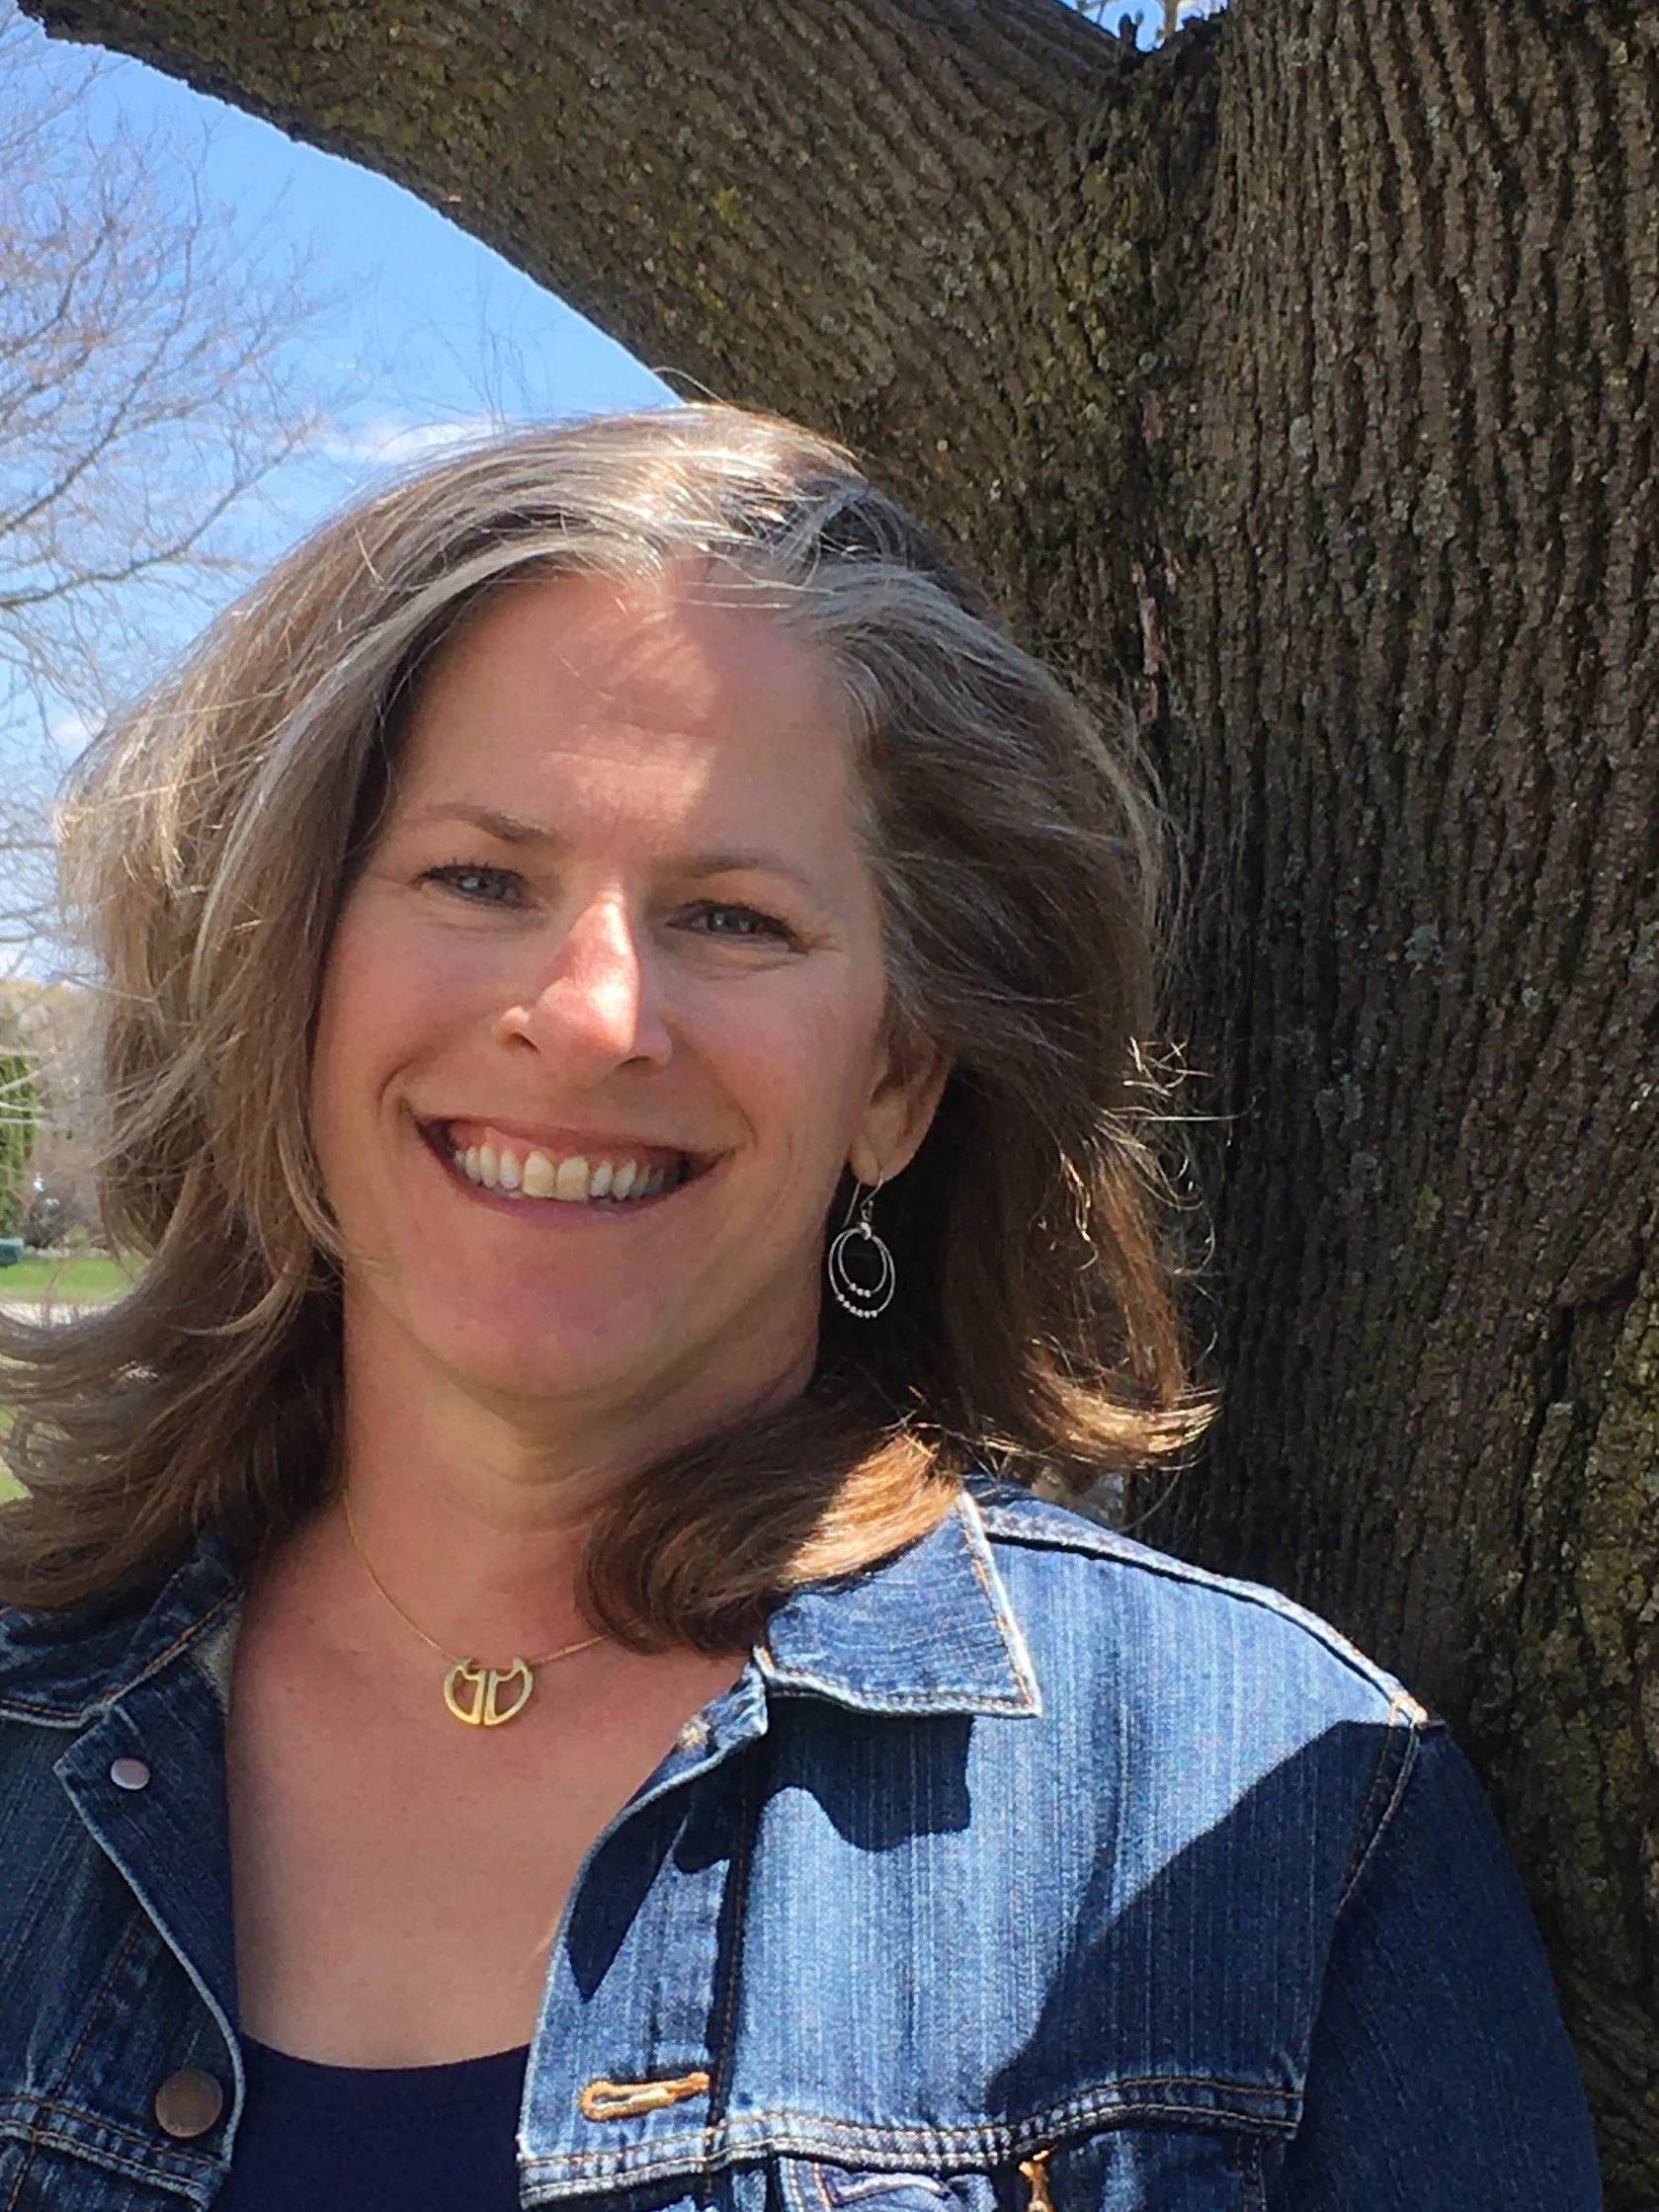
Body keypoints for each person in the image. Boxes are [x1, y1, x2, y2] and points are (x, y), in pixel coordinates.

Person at [0, 406, 1600, 2212]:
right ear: (283, 978)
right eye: (478, 879)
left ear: (897, 1081)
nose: (593, 1011)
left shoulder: (1282, 1815)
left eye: (734, 917)